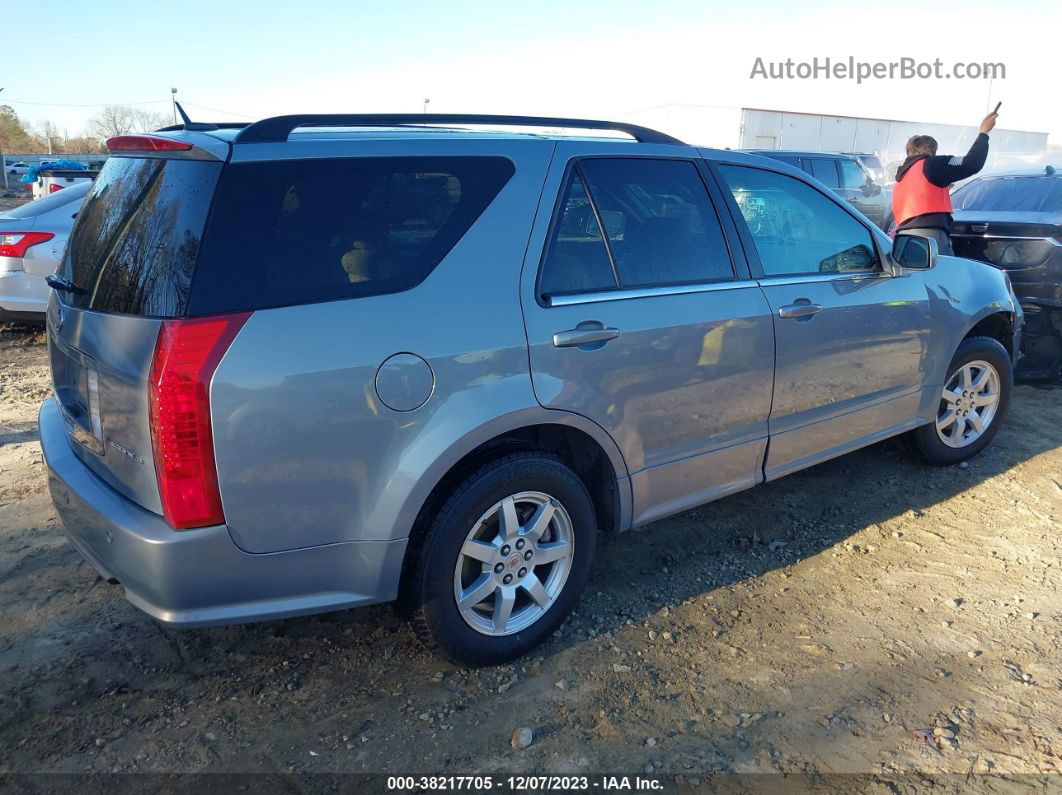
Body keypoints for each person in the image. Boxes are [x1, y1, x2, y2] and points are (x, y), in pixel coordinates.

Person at [892, 111, 998, 254]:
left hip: (903, 240)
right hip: (929, 238)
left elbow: (918, 202)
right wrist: (984, 132)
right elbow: (971, 163)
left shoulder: (901, 177)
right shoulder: (931, 164)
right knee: (945, 274)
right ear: (931, 150)